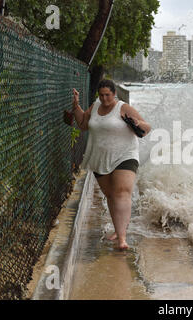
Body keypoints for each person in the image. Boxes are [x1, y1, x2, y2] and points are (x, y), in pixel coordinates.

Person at [72, 79, 151, 250]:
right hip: (100, 157)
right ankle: (118, 229)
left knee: (121, 193)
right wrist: (76, 105)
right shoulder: (95, 106)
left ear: (114, 94)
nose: (105, 99)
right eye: (101, 95)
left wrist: (138, 123)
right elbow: (83, 125)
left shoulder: (122, 107)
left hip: (125, 155)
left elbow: (147, 127)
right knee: (110, 195)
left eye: (108, 95)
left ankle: (122, 239)